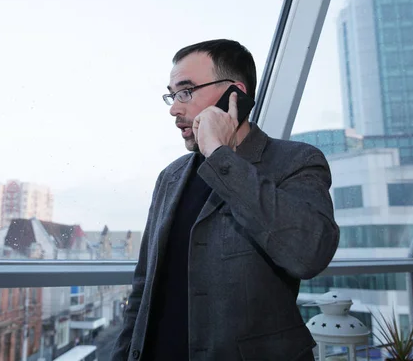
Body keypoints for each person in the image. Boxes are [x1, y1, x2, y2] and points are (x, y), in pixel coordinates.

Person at [110, 39, 339, 361]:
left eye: (186, 91)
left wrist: (219, 154)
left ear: (235, 94)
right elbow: (144, 285)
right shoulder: (170, 177)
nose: (175, 108)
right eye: (172, 95)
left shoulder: (296, 161)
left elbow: (309, 254)